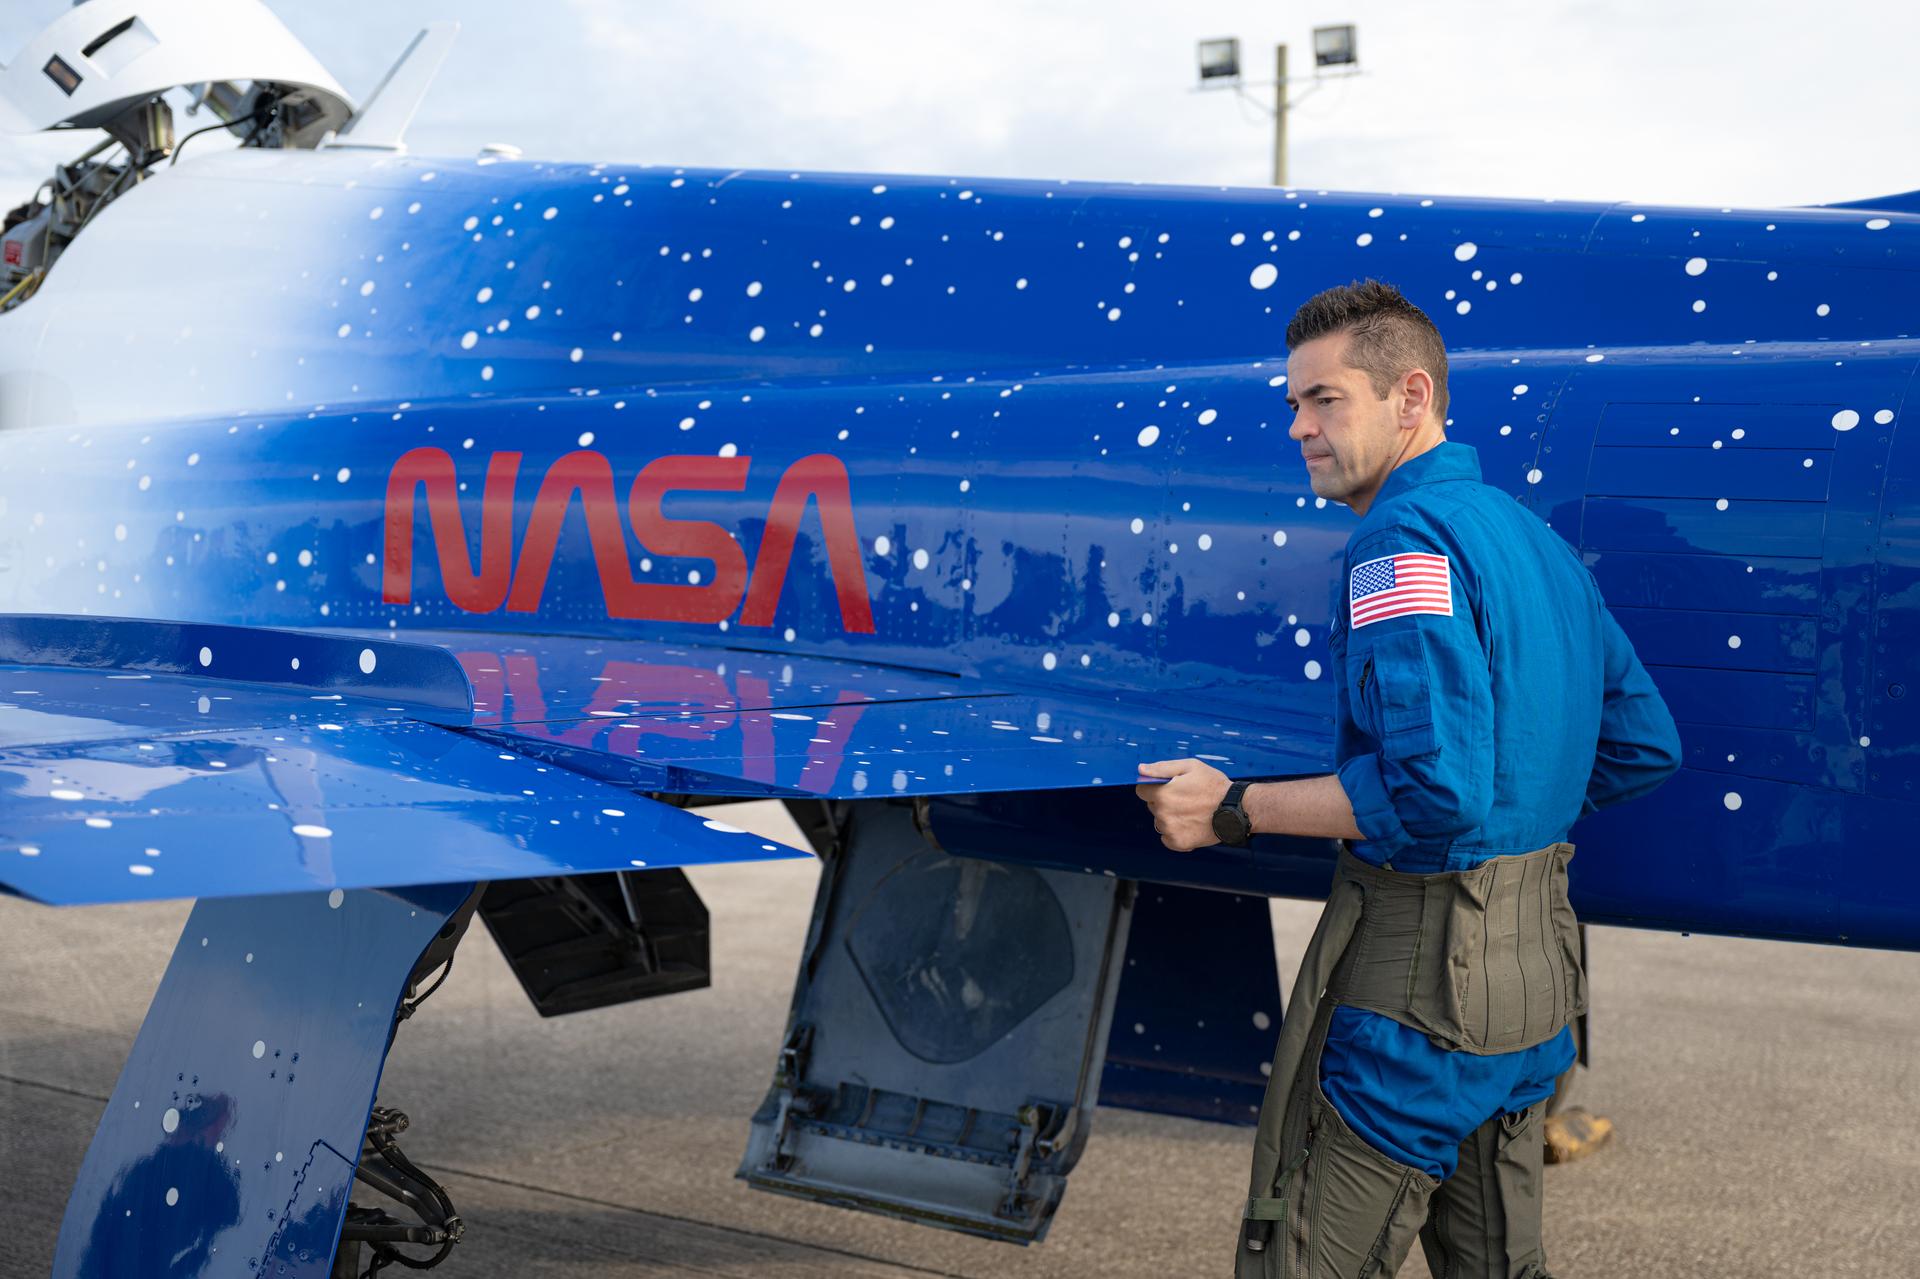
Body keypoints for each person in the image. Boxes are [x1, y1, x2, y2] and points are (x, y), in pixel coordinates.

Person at [1136, 279, 1680, 1278]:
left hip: (1418, 1003)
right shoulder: (1539, 543)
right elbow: (1643, 744)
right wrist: (1511, 822)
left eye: (1325, 399)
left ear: (1412, 398)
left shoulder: (1400, 543)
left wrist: (1231, 809)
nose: (1298, 425)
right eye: (1293, 403)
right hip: (1534, 996)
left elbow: (1433, 795)